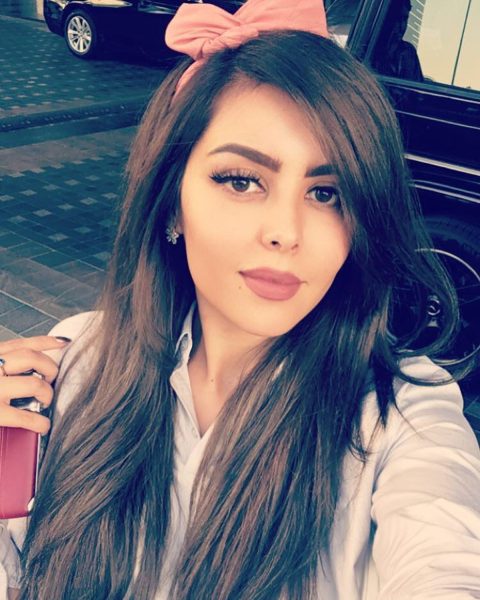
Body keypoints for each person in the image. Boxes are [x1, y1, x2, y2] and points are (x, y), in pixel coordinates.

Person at [1, 0, 479, 598]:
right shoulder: (72, 361)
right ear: (171, 203)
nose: (286, 232)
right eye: (242, 180)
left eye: (327, 193)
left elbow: (446, 559)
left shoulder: (402, 416)